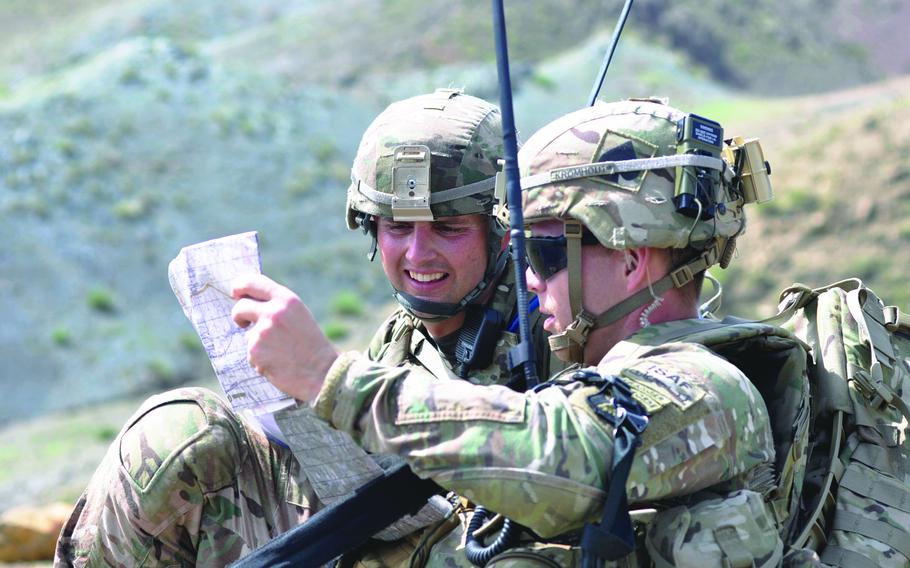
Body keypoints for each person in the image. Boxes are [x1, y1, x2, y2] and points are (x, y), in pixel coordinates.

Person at [248, 98, 812, 566]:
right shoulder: (601, 371)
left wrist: (331, 378)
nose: (528, 279)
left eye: (543, 253)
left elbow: (565, 451)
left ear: (631, 258)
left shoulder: (706, 385)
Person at [54, 88, 563, 567]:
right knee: (180, 432)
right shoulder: (400, 340)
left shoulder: (551, 325)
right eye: (397, 227)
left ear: (501, 230)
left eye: (448, 229)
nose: (417, 253)